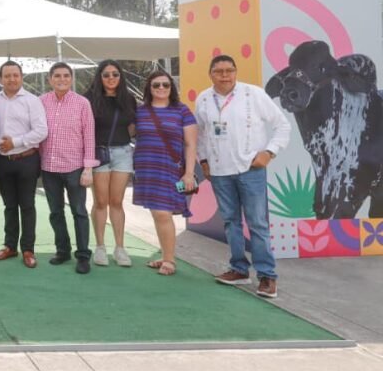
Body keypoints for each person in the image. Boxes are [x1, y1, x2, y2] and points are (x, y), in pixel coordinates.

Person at [196, 55, 291, 297]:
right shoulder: (204, 99)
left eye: (229, 70)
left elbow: (282, 125)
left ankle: (267, 275)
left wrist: (269, 152)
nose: (225, 75)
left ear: (236, 72)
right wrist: (204, 161)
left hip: (251, 169)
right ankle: (239, 269)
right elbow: (201, 135)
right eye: (219, 71)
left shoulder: (253, 94)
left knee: (257, 223)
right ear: (210, 74)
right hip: (220, 172)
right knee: (230, 222)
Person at [133, 70, 197, 277]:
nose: (161, 88)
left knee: (163, 212)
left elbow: (190, 144)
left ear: (171, 87)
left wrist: (189, 173)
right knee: (157, 213)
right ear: (149, 88)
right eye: (156, 85)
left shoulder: (182, 110)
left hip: (170, 168)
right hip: (146, 168)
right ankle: (165, 254)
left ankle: (169, 259)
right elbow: (128, 133)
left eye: (165, 85)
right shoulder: (140, 111)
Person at [39, 62, 98, 274]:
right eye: (57, 75)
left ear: (71, 78)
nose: (62, 79)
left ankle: (83, 256)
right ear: (50, 79)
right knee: (56, 212)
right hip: (49, 167)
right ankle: (62, 251)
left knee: (79, 212)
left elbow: (89, 136)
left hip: (75, 168)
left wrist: (88, 168)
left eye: (66, 75)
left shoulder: (82, 103)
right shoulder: (41, 102)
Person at [0, 61, 48, 269]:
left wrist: (14, 142)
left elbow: (41, 131)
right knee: (9, 205)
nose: (12, 79)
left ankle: (28, 249)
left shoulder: (32, 101)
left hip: (27, 159)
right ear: (0, 79)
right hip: (2, 161)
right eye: (7, 76)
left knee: (27, 205)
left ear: (21, 77)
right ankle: (10, 246)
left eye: (15, 75)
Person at [83, 60, 137, 268]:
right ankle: (100, 246)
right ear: (99, 77)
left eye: (115, 74)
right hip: (99, 153)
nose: (111, 78)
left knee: (117, 201)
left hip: (123, 152)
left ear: (120, 76)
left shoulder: (128, 99)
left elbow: (132, 126)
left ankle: (120, 248)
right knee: (100, 201)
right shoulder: (89, 99)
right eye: (106, 74)